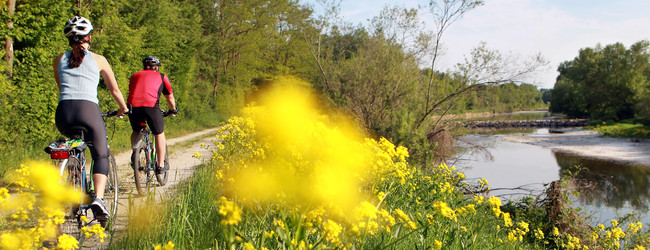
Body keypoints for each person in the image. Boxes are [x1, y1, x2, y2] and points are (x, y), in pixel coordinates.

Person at [53, 16, 129, 220]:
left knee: (74, 146)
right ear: (88, 37)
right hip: (88, 110)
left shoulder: (59, 59)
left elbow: (62, 88)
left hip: (63, 113)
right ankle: (99, 198)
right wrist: (123, 108)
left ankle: (73, 181)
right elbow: (114, 89)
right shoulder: (99, 59)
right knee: (100, 154)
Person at [128, 56, 177, 174]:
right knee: (159, 134)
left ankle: (136, 155)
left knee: (137, 130)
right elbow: (169, 96)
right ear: (157, 67)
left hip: (133, 107)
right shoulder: (161, 76)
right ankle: (160, 165)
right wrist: (173, 109)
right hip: (151, 107)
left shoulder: (135, 75)